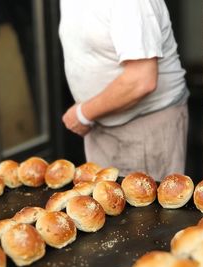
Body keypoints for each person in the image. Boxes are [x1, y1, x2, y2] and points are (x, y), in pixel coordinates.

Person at [59, 0, 189, 181]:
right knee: (103, 203)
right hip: (97, 123)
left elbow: (141, 80)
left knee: (145, 208)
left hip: (144, 128)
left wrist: (83, 113)